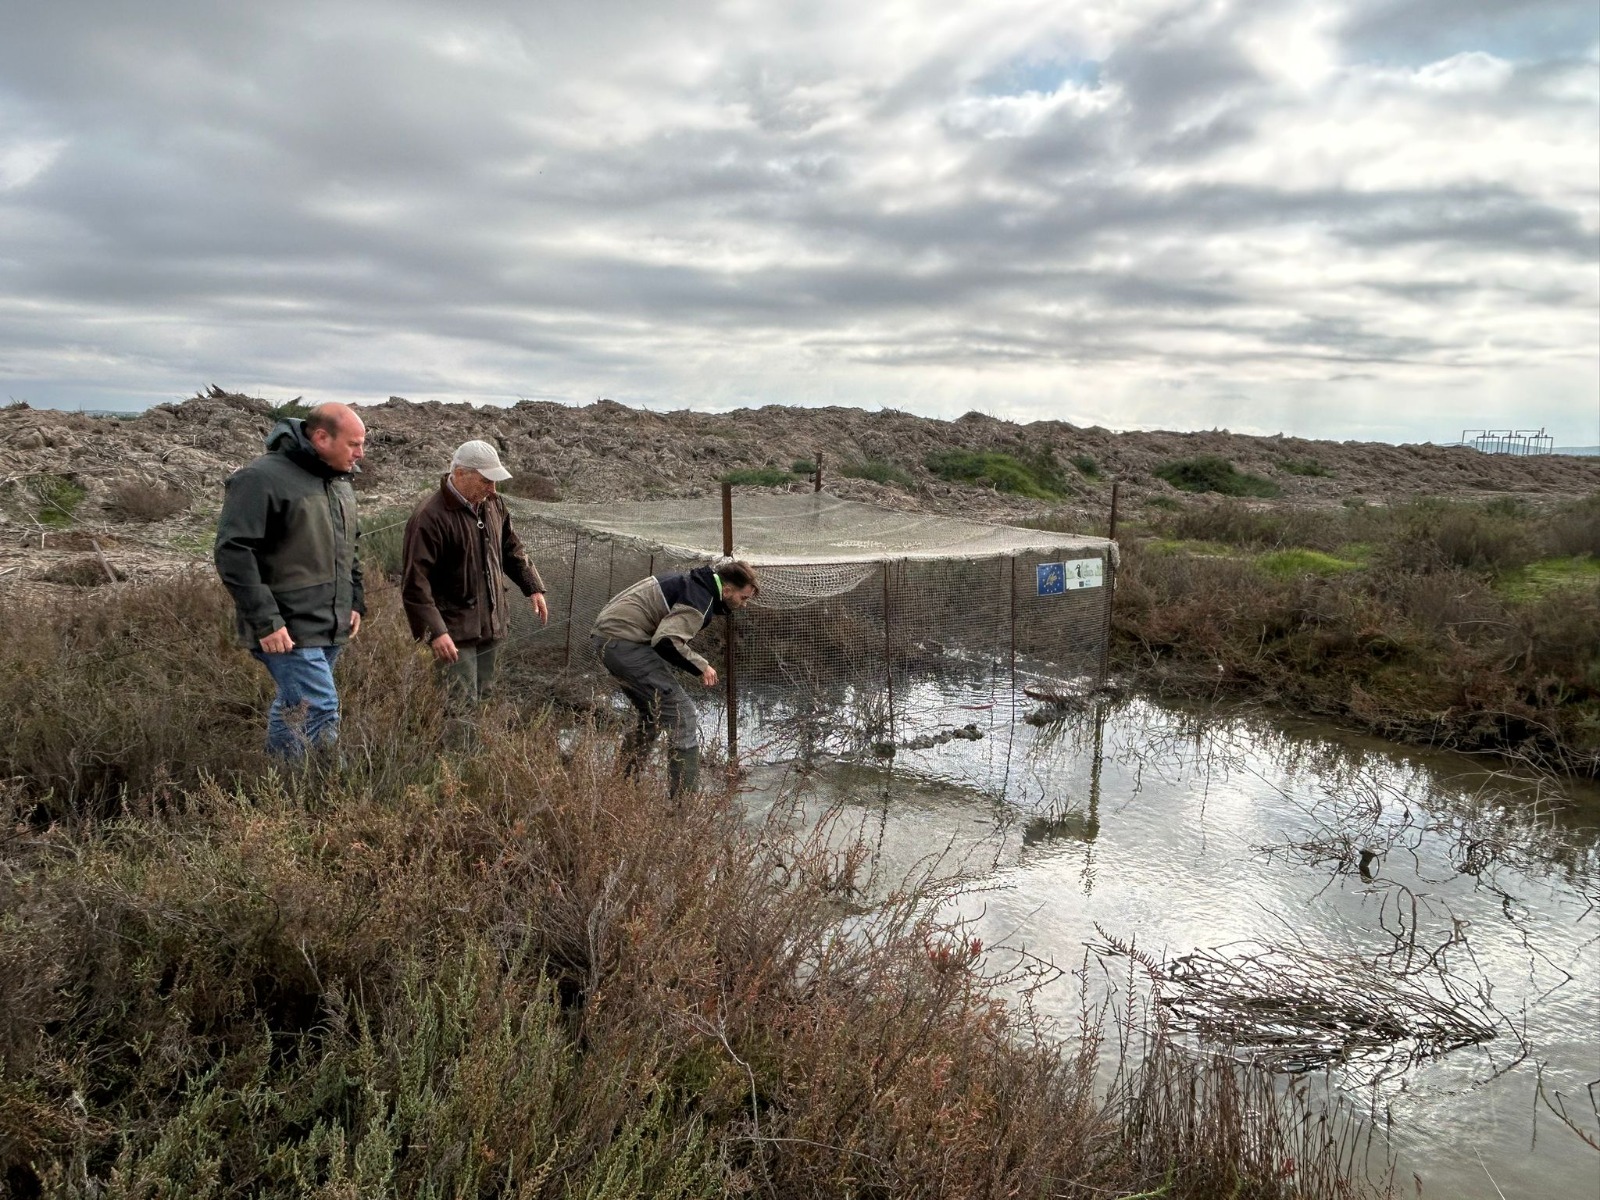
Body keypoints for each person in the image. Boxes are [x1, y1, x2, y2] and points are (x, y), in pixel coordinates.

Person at [214, 402, 366, 760]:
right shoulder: (259, 478)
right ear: (321, 437)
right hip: (285, 627)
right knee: (321, 706)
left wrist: (354, 601)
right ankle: (329, 791)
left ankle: (283, 777)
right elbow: (233, 552)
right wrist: (267, 621)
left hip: (330, 622)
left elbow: (350, 546)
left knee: (293, 704)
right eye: (353, 444)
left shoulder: (337, 482)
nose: (360, 454)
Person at [590, 560, 759, 796]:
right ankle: (684, 805)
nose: (743, 605)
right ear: (728, 590)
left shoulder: (692, 583)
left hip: (610, 639)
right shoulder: (700, 599)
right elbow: (666, 640)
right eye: (743, 598)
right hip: (624, 642)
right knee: (684, 714)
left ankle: (622, 787)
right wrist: (702, 666)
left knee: (654, 713)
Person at [401, 440, 549, 710]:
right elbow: (415, 583)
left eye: (495, 482)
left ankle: (476, 753)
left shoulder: (492, 504)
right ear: (459, 474)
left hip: (490, 624)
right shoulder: (429, 517)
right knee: (459, 705)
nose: (493, 490)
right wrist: (436, 632)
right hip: (454, 631)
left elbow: (511, 547)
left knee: (484, 697)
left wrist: (533, 586)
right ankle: (457, 754)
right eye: (485, 481)